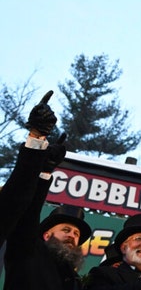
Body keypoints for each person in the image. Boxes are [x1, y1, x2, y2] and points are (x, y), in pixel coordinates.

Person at [1, 90, 93, 290]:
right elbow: (19, 206)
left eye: (76, 234)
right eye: (66, 230)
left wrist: (45, 170)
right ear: (45, 235)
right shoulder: (29, 251)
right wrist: (37, 138)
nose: (72, 236)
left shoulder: (73, 279)